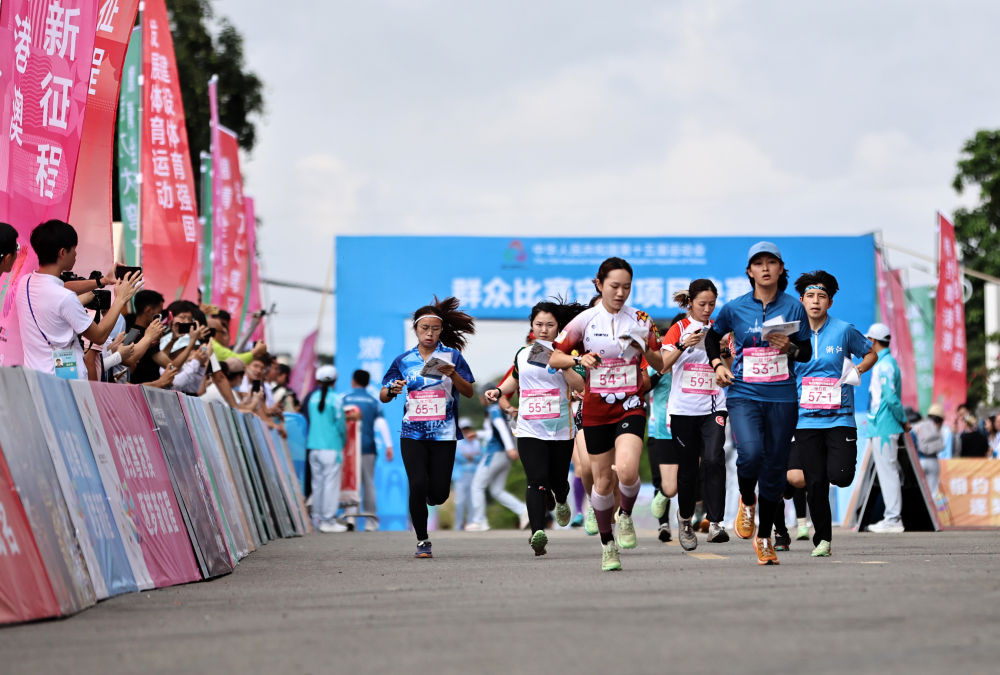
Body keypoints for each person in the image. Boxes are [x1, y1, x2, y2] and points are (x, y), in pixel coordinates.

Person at [550, 257, 664, 571]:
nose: (620, 293)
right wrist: (578, 360)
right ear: (599, 285)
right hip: (596, 410)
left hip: (630, 405)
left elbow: (660, 364)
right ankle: (607, 544)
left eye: (626, 287)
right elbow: (554, 357)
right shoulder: (584, 321)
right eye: (614, 286)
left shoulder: (641, 319)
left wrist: (645, 347)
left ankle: (624, 515)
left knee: (626, 470)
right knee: (602, 481)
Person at [705, 241, 812, 565]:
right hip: (744, 394)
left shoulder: (794, 308)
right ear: (749, 271)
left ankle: (764, 537)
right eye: (759, 263)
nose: (765, 268)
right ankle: (747, 499)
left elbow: (805, 353)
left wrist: (788, 348)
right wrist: (717, 364)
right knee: (750, 454)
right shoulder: (735, 308)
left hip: (782, 396)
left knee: (776, 468)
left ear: (781, 269)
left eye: (771, 262)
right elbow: (712, 336)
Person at [783, 271, 876, 557]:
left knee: (841, 476)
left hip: (840, 418)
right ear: (801, 301)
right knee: (815, 482)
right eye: (810, 296)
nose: (815, 301)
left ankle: (826, 478)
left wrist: (858, 369)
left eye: (821, 296)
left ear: (830, 302)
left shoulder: (844, 330)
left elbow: (871, 353)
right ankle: (823, 540)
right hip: (805, 420)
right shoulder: (790, 335)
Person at [486, 300, 586, 556]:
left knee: (558, 481)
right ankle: (537, 532)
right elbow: (513, 380)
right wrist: (498, 391)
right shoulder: (523, 353)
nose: (543, 329)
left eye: (549, 325)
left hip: (561, 429)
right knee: (536, 480)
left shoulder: (570, 353)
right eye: (539, 324)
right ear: (532, 325)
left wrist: (563, 363)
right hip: (529, 428)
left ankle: (561, 499)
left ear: (558, 327)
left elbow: (580, 387)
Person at [381, 296, 475, 559]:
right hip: (412, 432)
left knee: (439, 494)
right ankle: (422, 540)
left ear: (441, 330)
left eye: (435, 328)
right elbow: (384, 395)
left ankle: (430, 499)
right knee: (417, 483)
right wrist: (392, 389)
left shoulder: (452, 356)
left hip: (444, 434)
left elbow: (468, 391)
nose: (430, 333)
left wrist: (453, 374)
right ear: (416, 329)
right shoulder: (403, 360)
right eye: (425, 328)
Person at [16, 220, 143, 380]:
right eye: (74, 250)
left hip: (35, 378)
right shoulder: (65, 298)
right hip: (66, 384)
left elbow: (62, 286)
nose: (76, 255)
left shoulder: (25, 283)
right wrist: (121, 299)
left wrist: (102, 281)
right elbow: (99, 336)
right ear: (63, 252)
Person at [661, 281, 731, 550]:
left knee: (714, 458)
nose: (707, 309)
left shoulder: (719, 329)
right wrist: (682, 344)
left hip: (713, 406)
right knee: (688, 468)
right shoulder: (678, 328)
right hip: (683, 409)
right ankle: (686, 519)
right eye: (702, 304)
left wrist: (723, 351)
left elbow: (728, 366)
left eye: (712, 304)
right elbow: (663, 366)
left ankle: (715, 523)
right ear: (690, 302)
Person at [864, 322, 909, 533]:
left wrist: (904, 419)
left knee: (888, 473)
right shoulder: (886, 363)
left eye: (868, 340)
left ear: (873, 340)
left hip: (885, 426)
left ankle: (893, 519)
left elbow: (890, 397)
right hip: (883, 425)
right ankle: (892, 517)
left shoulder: (885, 365)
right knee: (888, 473)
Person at [468, 383, 529, 531]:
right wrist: (478, 434)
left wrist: (510, 448)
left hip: (495, 453)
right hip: (504, 456)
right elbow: (495, 432)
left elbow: (502, 429)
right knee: (496, 490)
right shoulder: (501, 410)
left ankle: (479, 521)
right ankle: (523, 510)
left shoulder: (493, 410)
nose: (479, 398)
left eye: (481, 396)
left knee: (477, 485)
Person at [343, 369, 394, 530]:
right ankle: (370, 521)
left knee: (351, 482)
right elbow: (382, 424)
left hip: (348, 448)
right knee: (369, 483)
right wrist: (389, 445)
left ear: (353, 381)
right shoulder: (373, 401)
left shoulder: (345, 399)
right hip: (368, 447)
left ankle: (350, 519)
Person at [304, 366, 350, 533]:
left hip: (313, 447)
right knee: (330, 484)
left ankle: (316, 519)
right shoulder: (335, 399)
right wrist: (343, 442)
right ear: (334, 381)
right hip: (331, 448)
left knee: (317, 484)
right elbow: (340, 425)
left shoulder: (312, 398)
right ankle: (328, 521)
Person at [646, 318, 680, 543]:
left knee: (686, 477)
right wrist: (661, 369)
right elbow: (644, 385)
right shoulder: (656, 362)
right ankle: (664, 524)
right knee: (662, 482)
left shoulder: (689, 361)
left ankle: (689, 518)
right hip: (659, 429)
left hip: (686, 426)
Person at [452, 418, 481, 531]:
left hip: (473, 473)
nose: (466, 430)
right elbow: (457, 456)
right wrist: (471, 456)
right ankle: (458, 525)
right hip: (460, 474)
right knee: (459, 501)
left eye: (468, 428)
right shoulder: (457, 441)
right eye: (464, 428)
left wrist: (469, 456)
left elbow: (480, 456)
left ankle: (470, 523)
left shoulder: (476, 442)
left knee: (472, 501)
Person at [912, 403, 946, 495]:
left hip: (919, 461)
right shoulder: (937, 429)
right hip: (933, 462)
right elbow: (941, 445)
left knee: (918, 491)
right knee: (933, 492)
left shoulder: (918, 426)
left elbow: (912, 440)